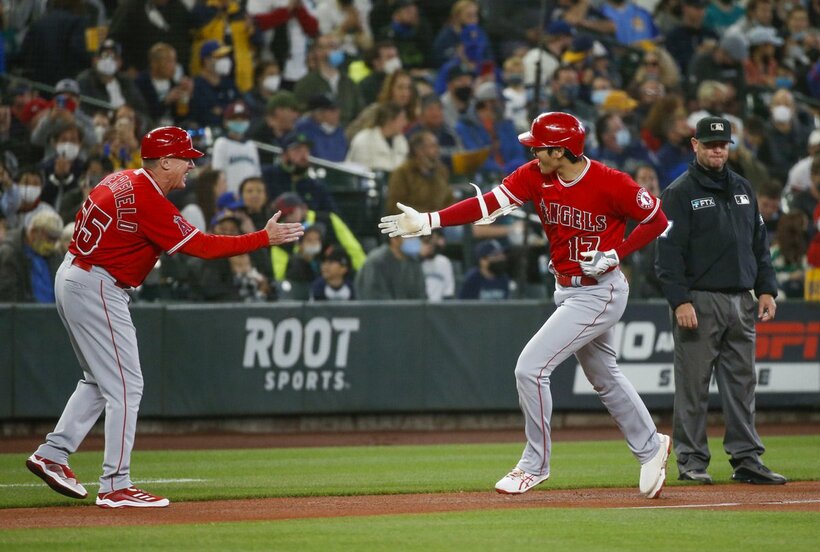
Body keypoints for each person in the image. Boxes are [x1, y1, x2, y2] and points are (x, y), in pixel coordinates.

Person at [380, 111, 671, 497]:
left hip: (600, 290)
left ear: (561, 150)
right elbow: (487, 204)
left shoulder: (610, 182)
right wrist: (430, 220)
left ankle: (535, 464)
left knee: (530, 369)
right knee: (604, 376)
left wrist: (617, 252)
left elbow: (656, 218)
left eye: (539, 147)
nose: (532, 152)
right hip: (567, 289)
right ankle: (651, 446)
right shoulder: (536, 174)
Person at [25, 126, 303, 509]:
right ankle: (115, 484)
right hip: (97, 284)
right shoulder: (147, 198)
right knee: (127, 387)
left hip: (76, 272)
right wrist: (261, 239)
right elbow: (203, 247)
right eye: (186, 159)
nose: (191, 165)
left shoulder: (121, 177)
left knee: (99, 380)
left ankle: (53, 454)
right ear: (165, 161)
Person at [655, 116, 786, 486]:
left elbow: (759, 246)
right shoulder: (679, 192)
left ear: (729, 146)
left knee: (742, 385)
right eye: (710, 143)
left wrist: (766, 289)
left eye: (722, 144)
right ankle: (692, 460)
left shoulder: (743, 187)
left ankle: (747, 459)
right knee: (694, 386)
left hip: (741, 300)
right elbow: (667, 254)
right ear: (694, 145)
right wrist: (680, 300)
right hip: (700, 300)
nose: (717, 149)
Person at [0, 209, 64, 303]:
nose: (52, 244)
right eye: (49, 238)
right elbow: (8, 296)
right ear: (33, 232)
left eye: (55, 240)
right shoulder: (10, 253)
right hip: (26, 314)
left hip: (54, 314)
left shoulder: (54, 255)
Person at [355, 234, 426, 300]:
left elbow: (421, 297)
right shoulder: (376, 262)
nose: (415, 240)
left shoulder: (414, 262)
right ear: (394, 238)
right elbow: (374, 299)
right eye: (410, 237)